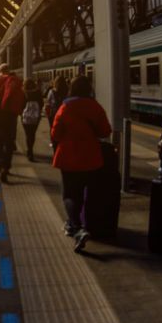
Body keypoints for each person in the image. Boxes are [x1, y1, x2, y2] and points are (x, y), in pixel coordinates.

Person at [50, 75, 112, 253]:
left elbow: (55, 133)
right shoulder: (95, 106)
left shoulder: (65, 106)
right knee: (86, 193)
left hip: (68, 157)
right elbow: (105, 131)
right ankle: (81, 224)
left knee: (70, 194)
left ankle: (76, 227)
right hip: (91, 158)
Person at [20, 77, 44, 161]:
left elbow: (20, 104)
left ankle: (29, 150)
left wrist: (21, 113)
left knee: (28, 134)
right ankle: (30, 150)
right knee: (32, 134)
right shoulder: (38, 92)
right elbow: (41, 103)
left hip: (25, 117)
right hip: (35, 117)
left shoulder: (22, 92)